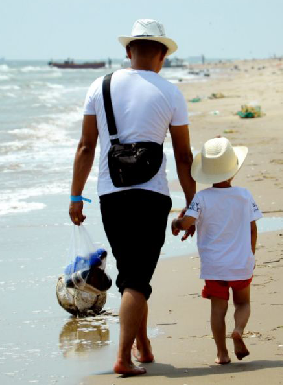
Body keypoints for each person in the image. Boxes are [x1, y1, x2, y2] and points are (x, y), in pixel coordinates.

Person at [69, 19, 195, 376]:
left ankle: (143, 344)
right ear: (163, 56)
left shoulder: (101, 85)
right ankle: (124, 357)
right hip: (152, 196)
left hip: (111, 195)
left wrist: (76, 196)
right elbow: (184, 157)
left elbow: (85, 146)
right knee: (138, 279)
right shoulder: (170, 93)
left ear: (128, 51)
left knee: (131, 273)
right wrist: (192, 203)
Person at [171, 137, 262, 365]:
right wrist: (250, 254)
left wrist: (176, 223)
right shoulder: (244, 195)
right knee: (243, 303)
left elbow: (187, 222)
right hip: (241, 263)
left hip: (214, 266)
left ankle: (222, 353)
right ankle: (238, 330)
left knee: (217, 310)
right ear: (233, 171)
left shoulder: (201, 198)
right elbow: (253, 228)